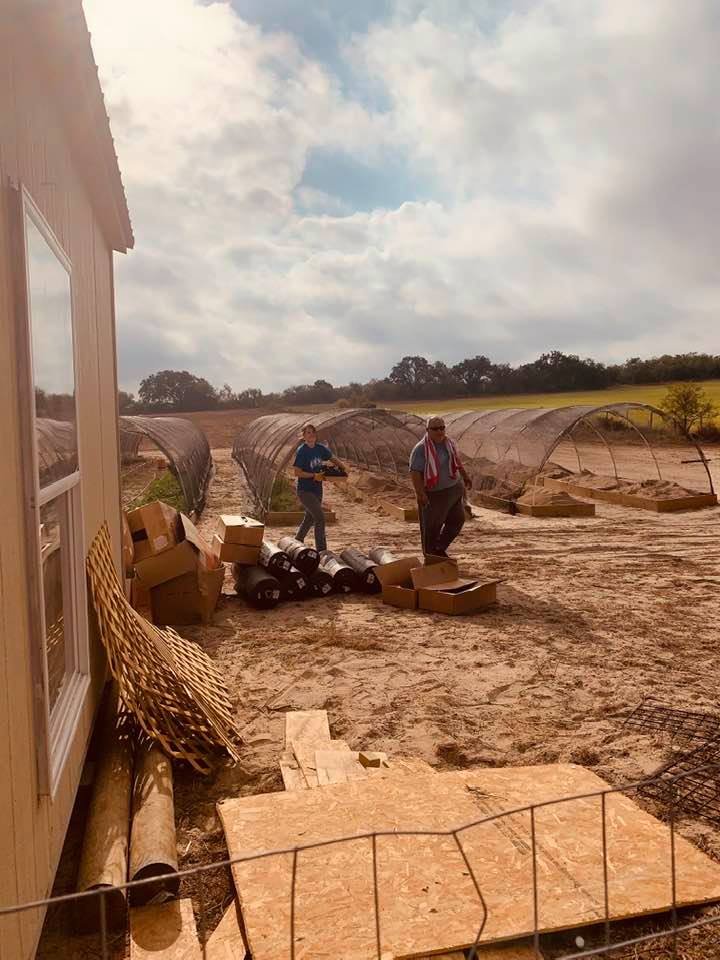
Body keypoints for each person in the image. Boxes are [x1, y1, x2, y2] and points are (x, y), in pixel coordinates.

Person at [409, 416, 472, 558]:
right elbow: (415, 472)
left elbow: (456, 461)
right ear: (427, 430)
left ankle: (439, 547)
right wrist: (420, 493)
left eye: (442, 428)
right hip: (435, 494)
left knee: (457, 521)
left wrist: (465, 476)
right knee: (432, 528)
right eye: (435, 429)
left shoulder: (449, 443)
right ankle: (431, 557)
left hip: (454, 489)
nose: (439, 432)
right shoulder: (421, 449)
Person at [293, 424, 345, 552]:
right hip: (304, 490)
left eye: (313, 432)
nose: (311, 435)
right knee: (320, 518)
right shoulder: (302, 451)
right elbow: (297, 472)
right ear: (304, 436)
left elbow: (332, 458)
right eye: (308, 432)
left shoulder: (320, 448)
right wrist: (313, 475)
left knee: (309, 518)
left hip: (317, 489)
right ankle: (322, 550)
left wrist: (343, 468)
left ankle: (297, 541)